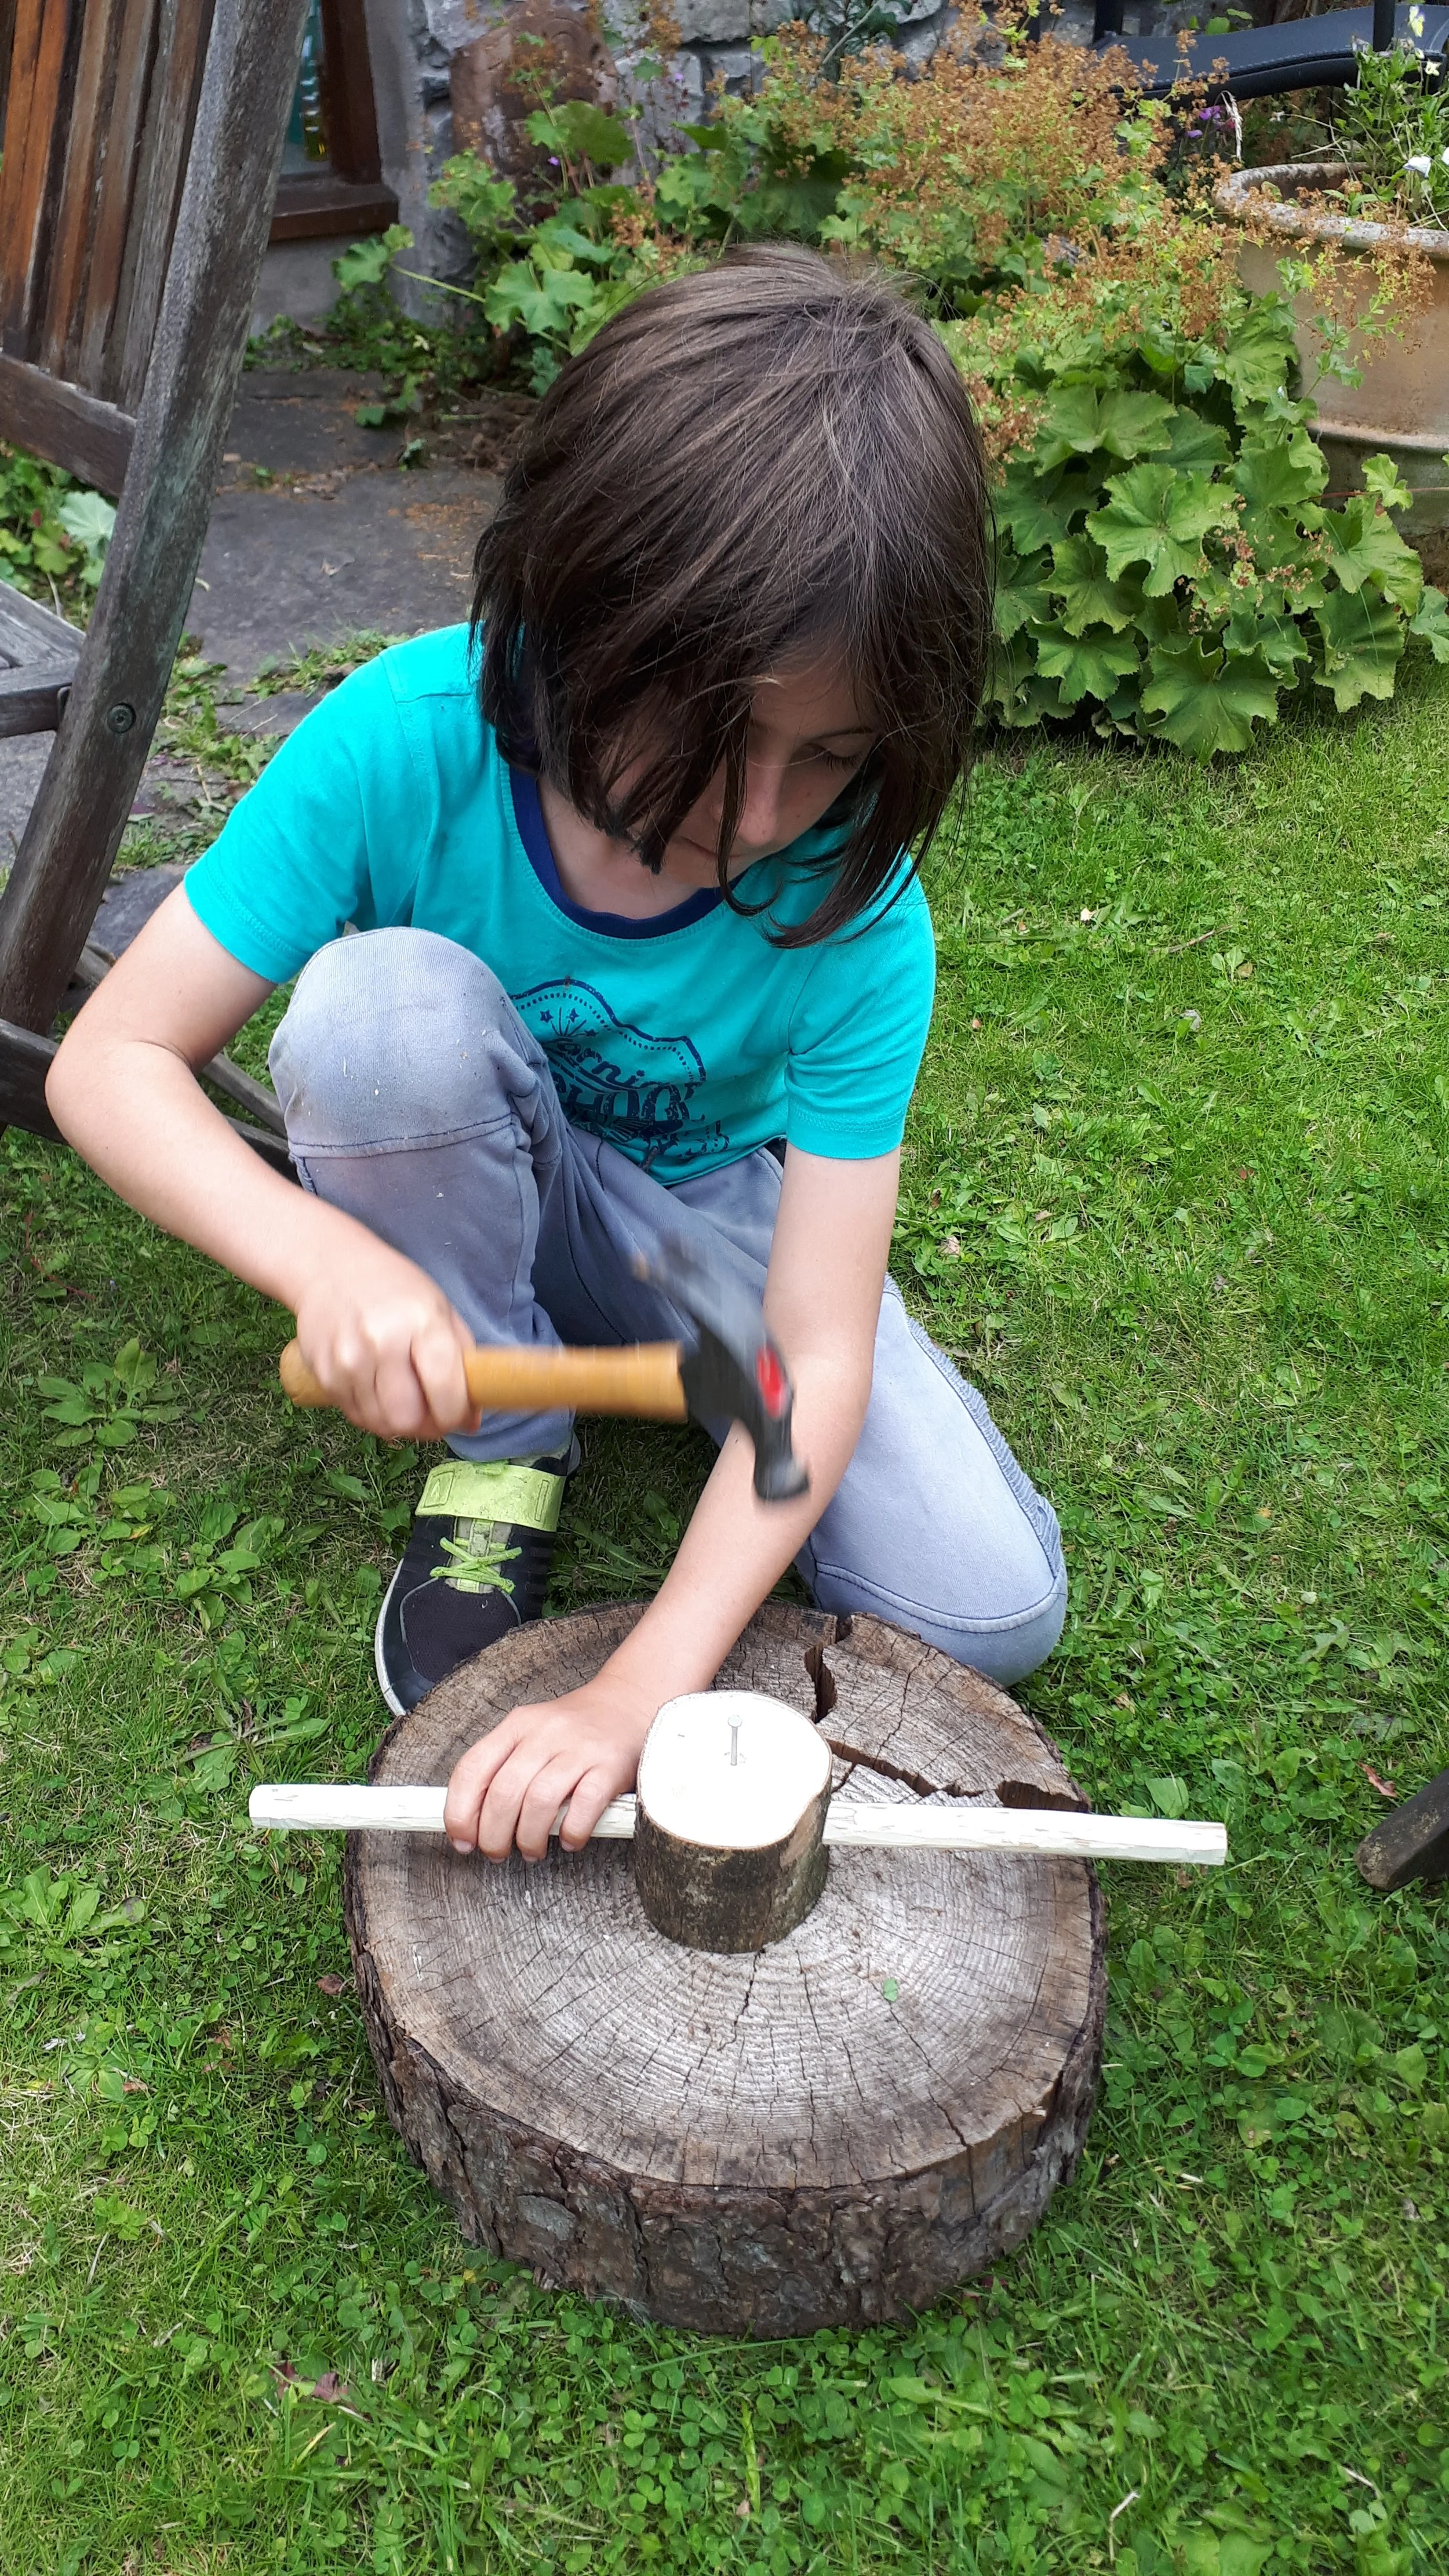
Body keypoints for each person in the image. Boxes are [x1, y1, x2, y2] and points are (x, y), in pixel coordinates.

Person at [46, 246, 1066, 1869]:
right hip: (461, 1197)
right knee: (377, 1013)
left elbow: (814, 1347)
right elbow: (107, 1065)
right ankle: (504, 1440)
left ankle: (601, 1374)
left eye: (827, 757)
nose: (753, 819)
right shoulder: (402, 738)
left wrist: (638, 1689)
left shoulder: (858, 907)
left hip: (702, 1241)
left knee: (986, 1605)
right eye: (705, 732)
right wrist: (324, 1261)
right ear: (567, 610)